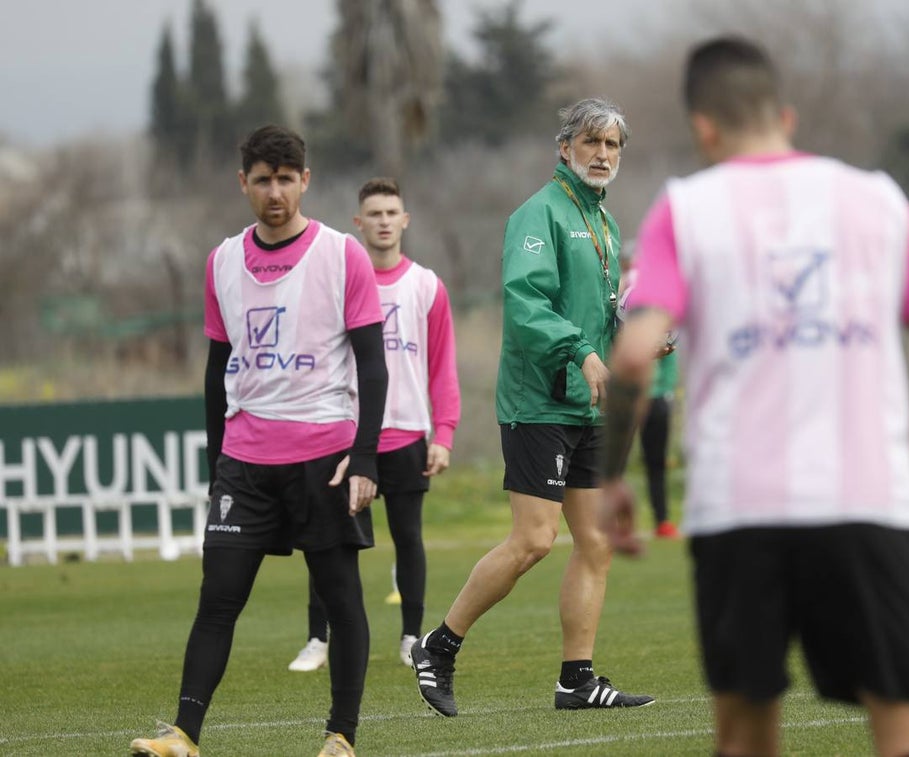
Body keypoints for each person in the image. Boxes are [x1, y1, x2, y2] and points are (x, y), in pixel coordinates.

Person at [600, 37, 909, 757]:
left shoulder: (686, 208)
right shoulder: (879, 200)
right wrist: (900, 453)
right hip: (868, 501)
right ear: (787, 114)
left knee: (745, 739)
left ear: (702, 126)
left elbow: (632, 356)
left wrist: (613, 477)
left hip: (738, 511)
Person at [130, 125, 388, 757]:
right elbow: (217, 370)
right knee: (217, 599)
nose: (276, 191)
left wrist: (364, 456)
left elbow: (372, 365)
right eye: (263, 179)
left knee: (341, 597)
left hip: (324, 458)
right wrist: (217, 456)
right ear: (242, 182)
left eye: (287, 178)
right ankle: (184, 735)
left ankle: (341, 736)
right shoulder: (221, 261)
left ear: (306, 180)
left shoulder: (341, 253)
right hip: (245, 463)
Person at [410, 98, 655, 717]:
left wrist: (633, 337)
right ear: (564, 148)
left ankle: (577, 680)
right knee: (534, 541)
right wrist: (582, 353)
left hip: (587, 405)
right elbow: (525, 305)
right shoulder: (536, 214)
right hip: (539, 401)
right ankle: (438, 647)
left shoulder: (606, 222)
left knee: (594, 542)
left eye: (613, 146)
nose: (603, 155)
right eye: (592, 143)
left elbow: (598, 315)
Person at [288, 177, 460, 673]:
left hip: (406, 432)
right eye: (374, 214)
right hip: (343, 433)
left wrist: (443, 434)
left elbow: (441, 366)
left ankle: (411, 636)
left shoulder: (426, 286)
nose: (384, 221)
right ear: (358, 223)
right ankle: (317, 639)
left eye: (392, 213)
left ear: (404, 220)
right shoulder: (339, 282)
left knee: (408, 538)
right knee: (329, 538)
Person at [620, 244, 681, 539]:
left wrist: (666, 389)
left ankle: (662, 520)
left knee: (656, 461)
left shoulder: (661, 299)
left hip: (657, 397)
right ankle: (615, 521)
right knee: (615, 459)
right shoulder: (622, 298)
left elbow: (670, 353)